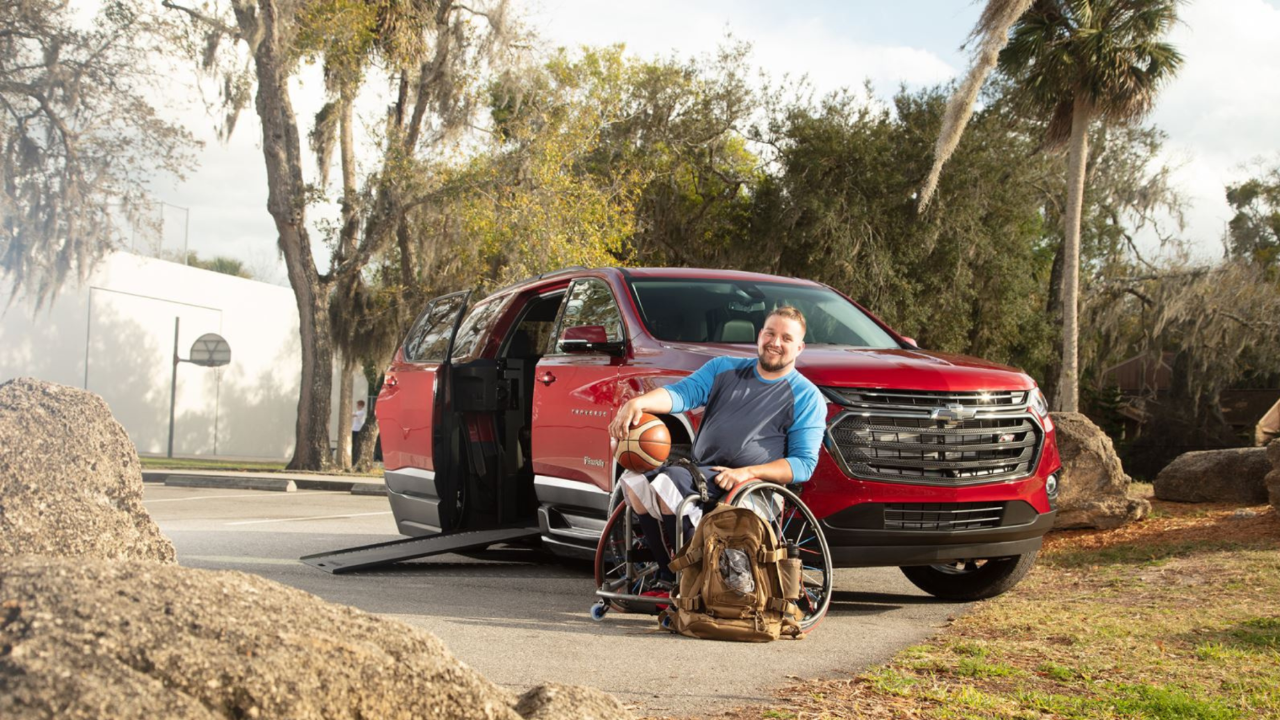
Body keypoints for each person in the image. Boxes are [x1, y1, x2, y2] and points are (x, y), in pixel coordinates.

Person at [607, 306, 825, 583]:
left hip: (751, 487)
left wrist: (748, 473)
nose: (775, 343)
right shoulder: (723, 368)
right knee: (635, 481)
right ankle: (667, 575)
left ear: (800, 347)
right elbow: (680, 395)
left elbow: (803, 464)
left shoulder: (806, 396)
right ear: (760, 335)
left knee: (668, 482)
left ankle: (698, 576)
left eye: (786, 338)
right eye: (770, 333)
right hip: (703, 474)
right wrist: (637, 403)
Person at [352, 400, 367, 465]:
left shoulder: (362, 412)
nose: (357, 406)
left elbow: (353, 415)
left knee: (356, 443)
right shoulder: (358, 412)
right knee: (353, 443)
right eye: (357, 405)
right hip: (354, 429)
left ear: (361, 406)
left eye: (358, 405)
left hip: (358, 429)